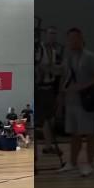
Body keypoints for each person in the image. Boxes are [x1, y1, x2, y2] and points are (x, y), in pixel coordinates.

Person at [57, 27, 94, 177]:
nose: (72, 41)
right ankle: (72, 162)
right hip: (71, 101)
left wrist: (81, 87)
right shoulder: (68, 58)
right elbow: (64, 77)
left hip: (85, 101)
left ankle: (90, 163)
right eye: (70, 39)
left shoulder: (90, 57)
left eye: (75, 38)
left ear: (81, 39)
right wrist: (61, 97)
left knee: (89, 133)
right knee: (74, 134)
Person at [35, 26, 64, 155]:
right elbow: (39, 67)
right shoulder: (39, 49)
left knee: (50, 118)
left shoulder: (53, 51)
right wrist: (50, 69)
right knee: (43, 118)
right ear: (45, 35)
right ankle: (45, 146)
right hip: (40, 88)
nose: (53, 37)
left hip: (49, 87)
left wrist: (52, 69)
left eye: (55, 34)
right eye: (50, 33)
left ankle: (48, 145)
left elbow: (57, 70)